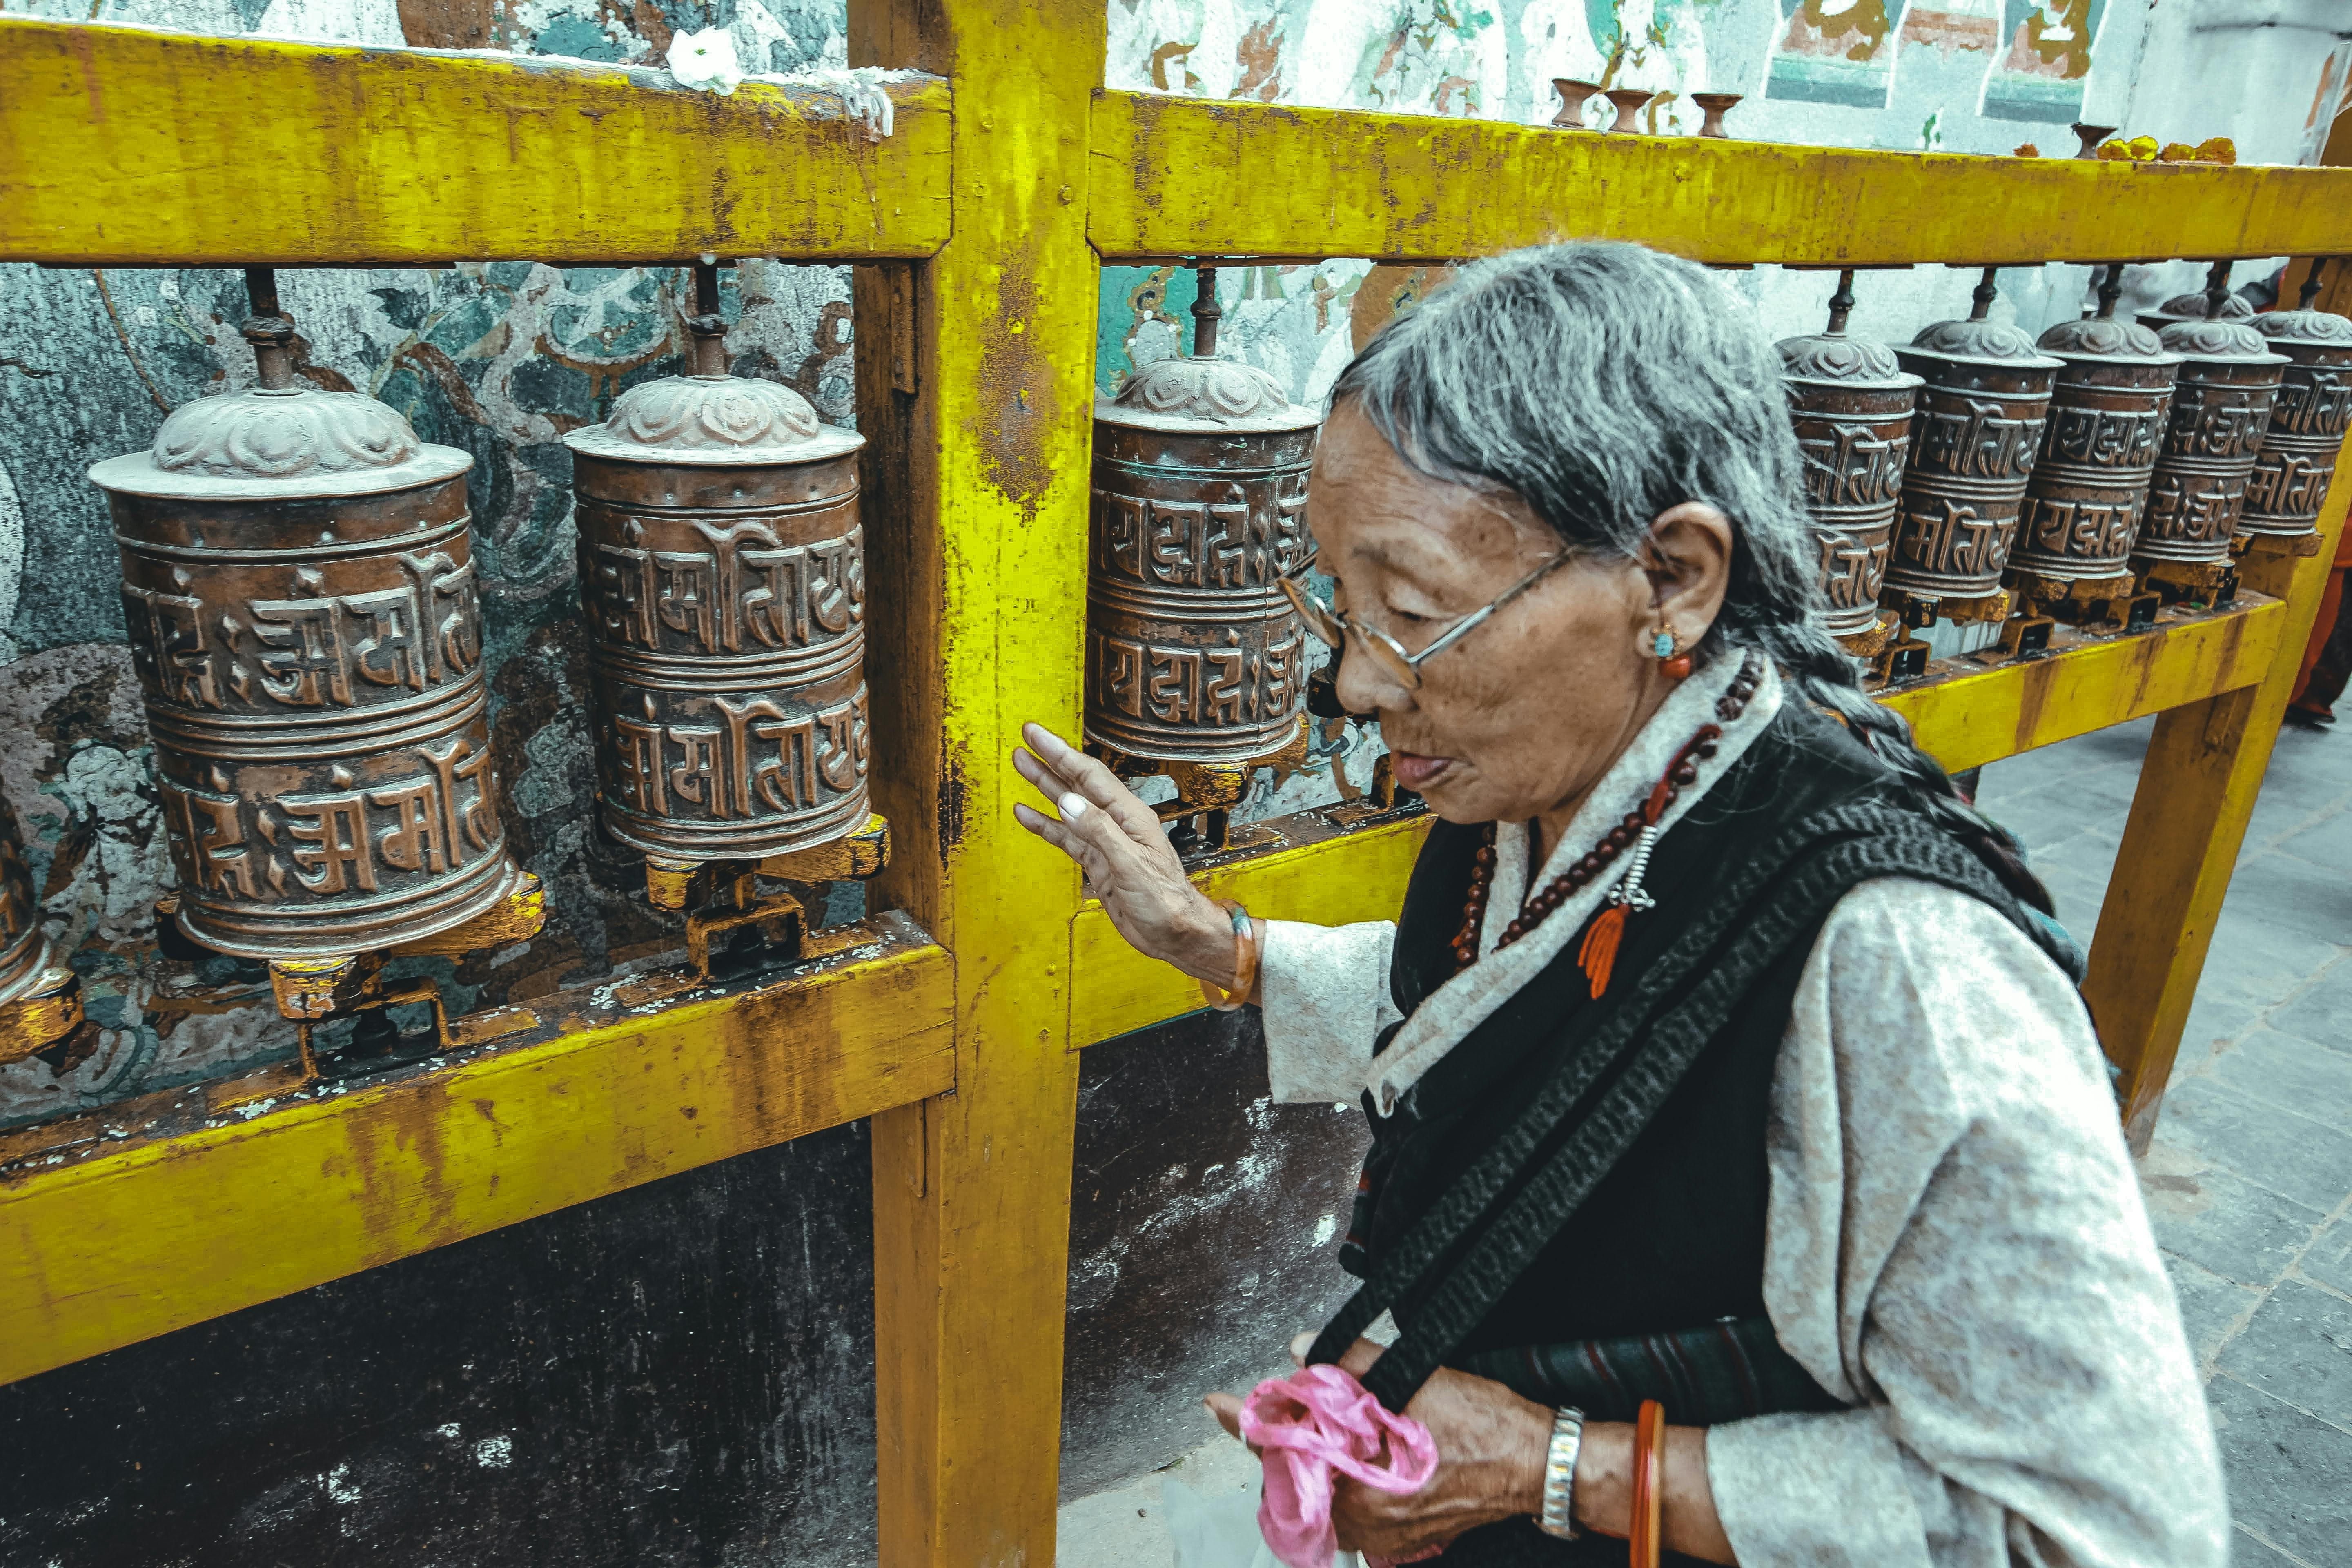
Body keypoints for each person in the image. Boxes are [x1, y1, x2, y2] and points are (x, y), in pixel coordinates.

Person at [1013, 243, 2223, 1567]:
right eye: (1337, 602)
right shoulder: (1562, 794)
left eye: (1410, 609)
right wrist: (1220, 946)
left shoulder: (1907, 965)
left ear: (1674, 579)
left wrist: (1553, 1469)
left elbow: (2103, 1526)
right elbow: (1534, 1008)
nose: (1358, 685)